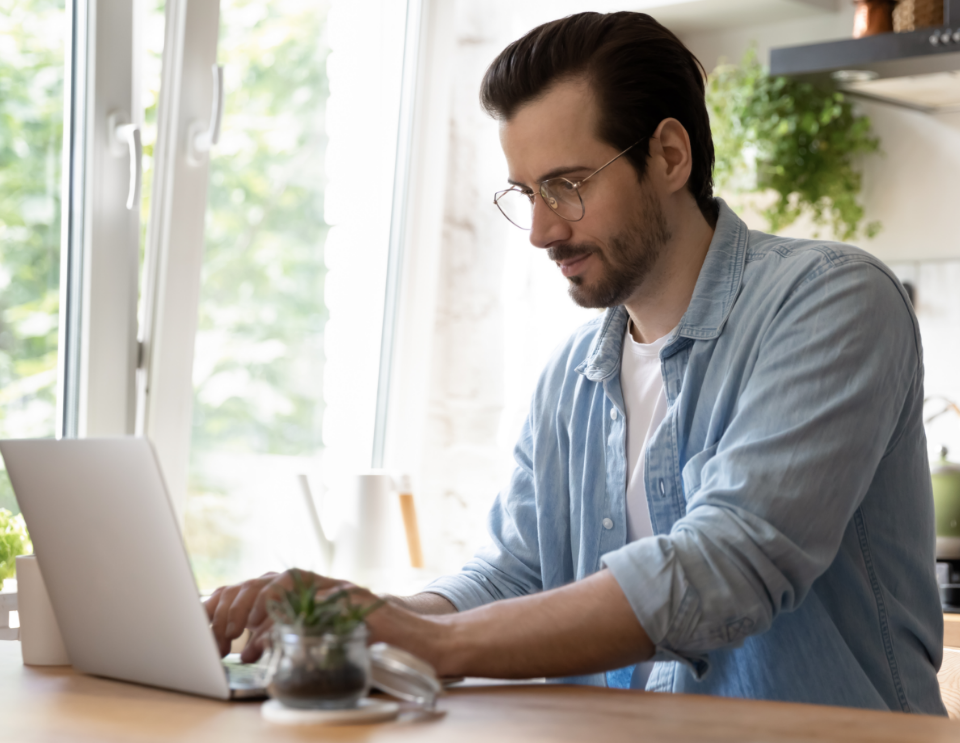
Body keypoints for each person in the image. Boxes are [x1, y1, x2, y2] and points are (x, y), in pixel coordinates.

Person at [204, 11, 946, 713]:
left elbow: (727, 564)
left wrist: (427, 639)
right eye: (527, 193)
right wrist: (352, 616)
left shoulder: (832, 302)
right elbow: (515, 572)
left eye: (566, 185)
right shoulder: (573, 375)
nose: (539, 229)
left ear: (668, 155)